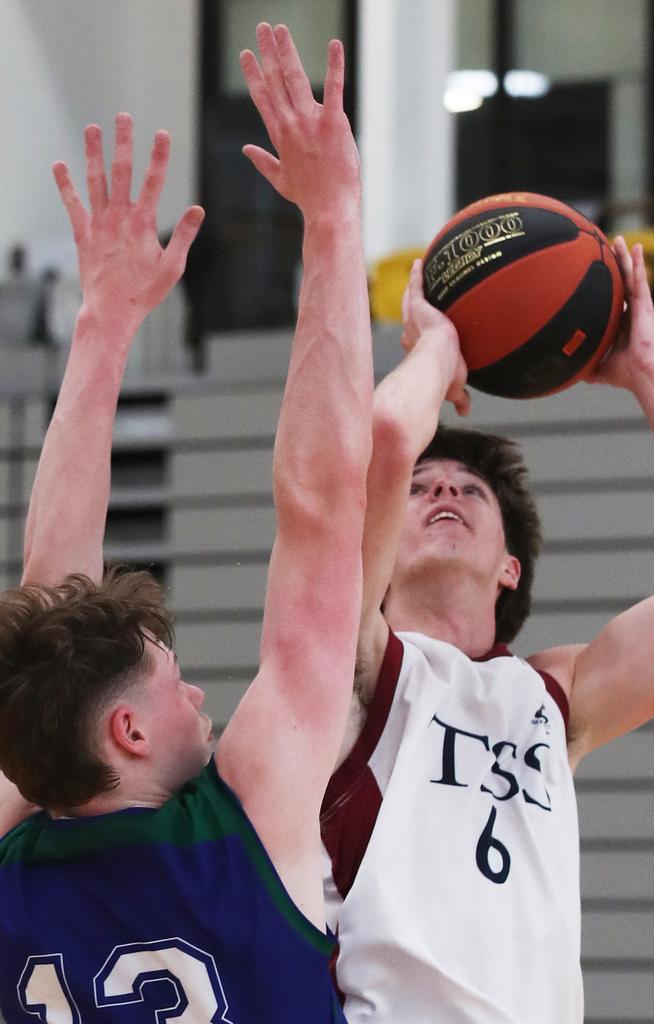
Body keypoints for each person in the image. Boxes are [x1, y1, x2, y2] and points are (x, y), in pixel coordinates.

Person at [0, 23, 371, 1023]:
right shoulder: (241, 824)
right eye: (172, 684)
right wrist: (334, 224)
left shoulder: (11, 852)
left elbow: (50, 591)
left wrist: (105, 324)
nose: (197, 690)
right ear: (126, 730)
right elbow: (326, 506)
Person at [321, 245, 654, 1022]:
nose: (446, 490)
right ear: (381, 553)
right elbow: (388, 434)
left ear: (510, 569)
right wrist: (437, 347)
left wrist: (649, 373)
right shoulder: (351, 663)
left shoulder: (553, 697)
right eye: (422, 489)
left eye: (469, 489)